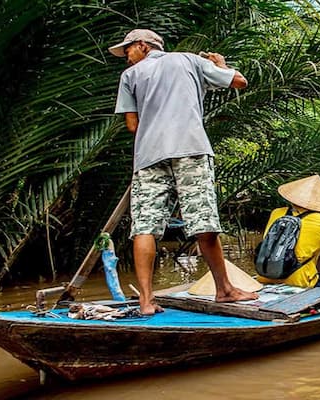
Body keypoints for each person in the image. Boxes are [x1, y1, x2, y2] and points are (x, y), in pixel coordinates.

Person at [109, 29, 257, 314]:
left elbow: (132, 125)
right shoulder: (188, 60)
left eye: (128, 50)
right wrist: (221, 66)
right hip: (190, 148)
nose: (126, 57)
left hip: (148, 156)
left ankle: (146, 300)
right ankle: (224, 290)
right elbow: (239, 81)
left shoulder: (130, 77)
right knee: (203, 220)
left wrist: (155, 134)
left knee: (145, 226)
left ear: (142, 46)